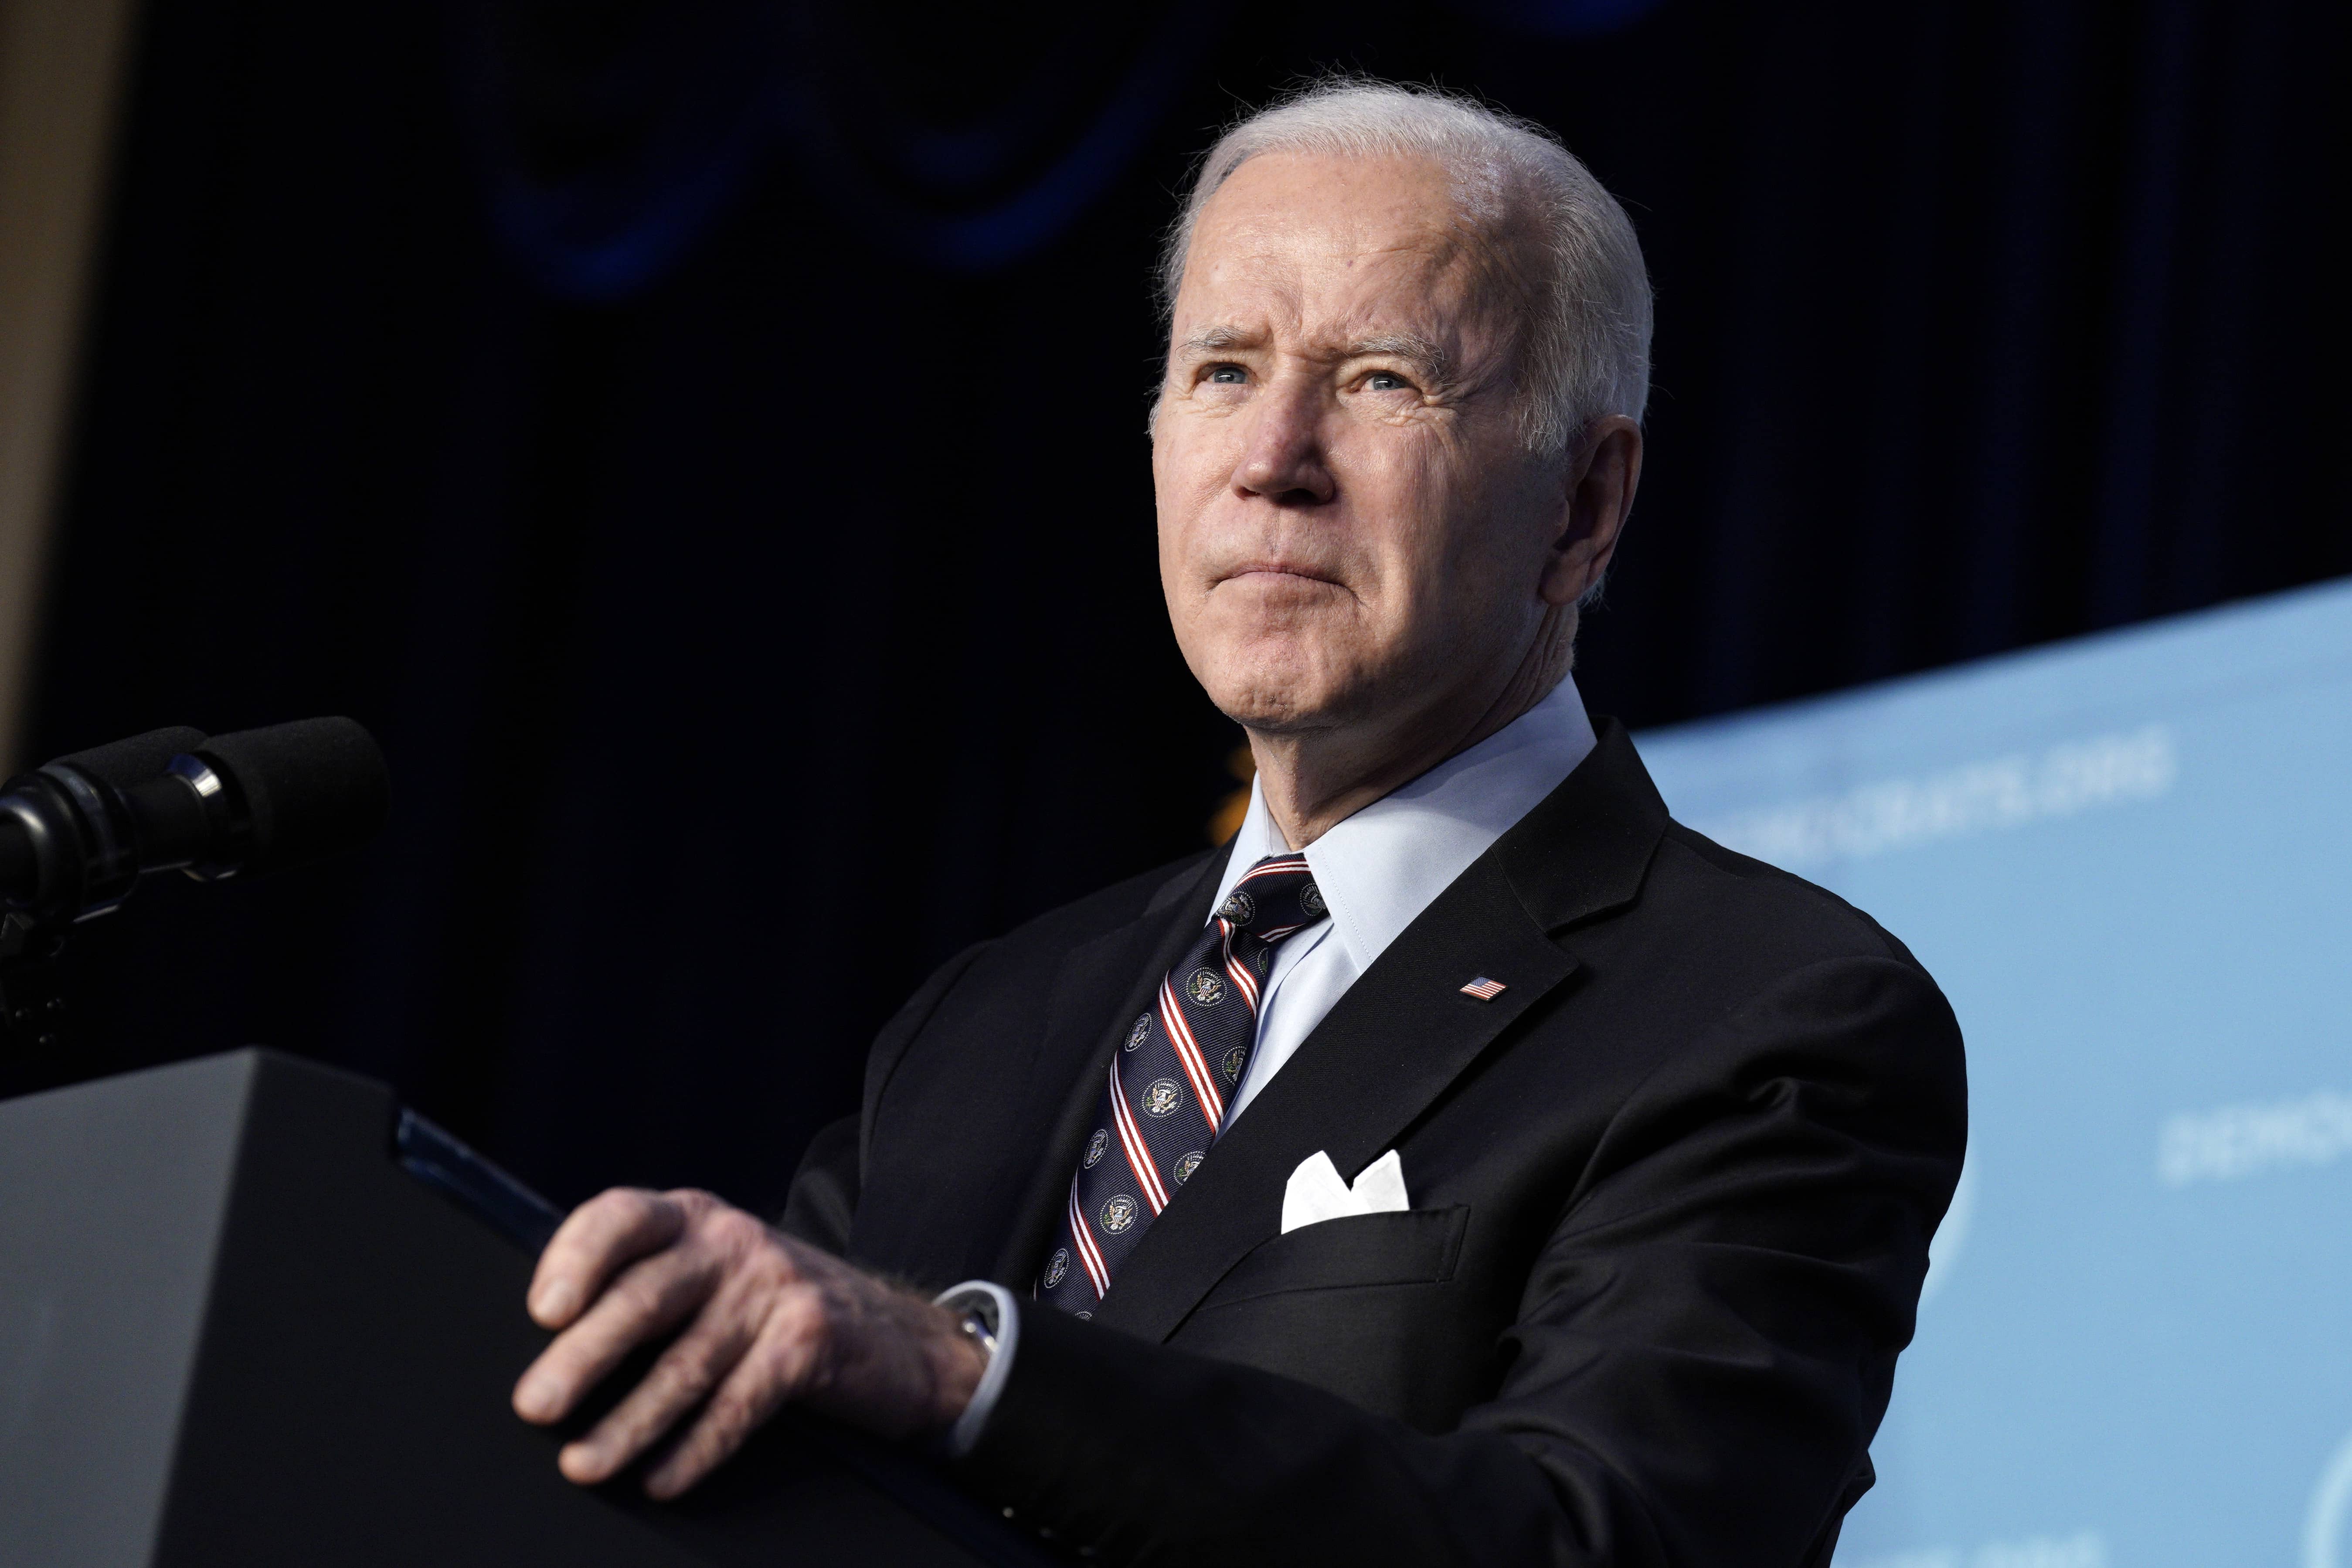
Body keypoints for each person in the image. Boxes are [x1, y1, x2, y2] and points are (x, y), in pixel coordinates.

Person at [510, 78, 1966, 1567]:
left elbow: (1598, 1540)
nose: (1272, 456)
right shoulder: (986, 1020)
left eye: (1381, 380)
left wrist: (973, 1376)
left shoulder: (1765, 1013)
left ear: (1583, 505)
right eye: (1220, 371)